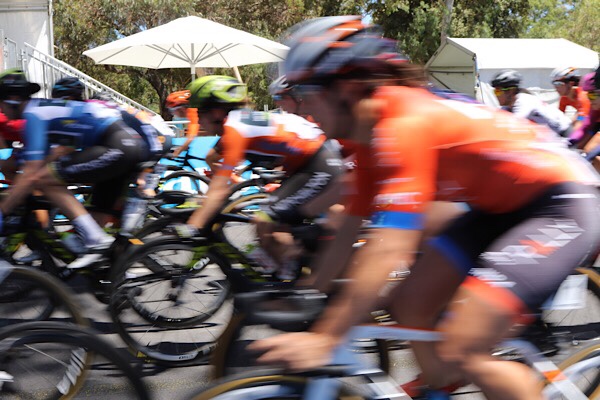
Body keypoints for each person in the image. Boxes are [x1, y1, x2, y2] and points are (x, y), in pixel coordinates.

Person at [248, 16, 600, 400]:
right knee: (409, 305)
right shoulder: (367, 136)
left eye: (306, 91)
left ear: (345, 87)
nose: (301, 107)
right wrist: (310, 293)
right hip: (500, 208)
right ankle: (440, 385)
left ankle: (464, 370)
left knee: (464, 347)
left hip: (563, 203)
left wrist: (325, 337)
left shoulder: (404, 122)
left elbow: (390, 245)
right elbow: (351, 223)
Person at [176, 74, 344, 279]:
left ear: (217, 112)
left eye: (200, 112)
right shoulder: (236, 124)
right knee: (273, 227)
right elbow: (212, 158)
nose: (198, 119)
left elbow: (219, 188)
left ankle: (296, 284)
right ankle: (298, 263)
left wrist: (192, 226)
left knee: (263, 221)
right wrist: (220, 192)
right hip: (308, 164)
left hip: (319, 165)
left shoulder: (234, 130)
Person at [0, 68, 147, 265]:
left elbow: (32, 172)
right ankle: (114, 273)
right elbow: (30, 161)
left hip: (118, 145)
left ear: (13, 99)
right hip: (120, 145)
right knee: (97, 215)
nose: (0, 109)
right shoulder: (37, 111)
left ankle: (97, 240)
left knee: (44, 179)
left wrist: (3, 211)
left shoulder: (33, 115)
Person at [491, 69, 573, 137]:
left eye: (498, 91)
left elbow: (514, 125)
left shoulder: (525, 101)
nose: (496, 95)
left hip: (564, 133)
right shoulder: (508, 106)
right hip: (549, 137)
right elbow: (497, 121)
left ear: (510, 91)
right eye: (494, 91)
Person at [165, 90, 201, 158]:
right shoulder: (192, 110)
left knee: (210, 158)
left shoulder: (192, 111)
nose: (172, 113)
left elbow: (191, 137)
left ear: (181, 109)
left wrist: (178, 152)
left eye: (172, 110)